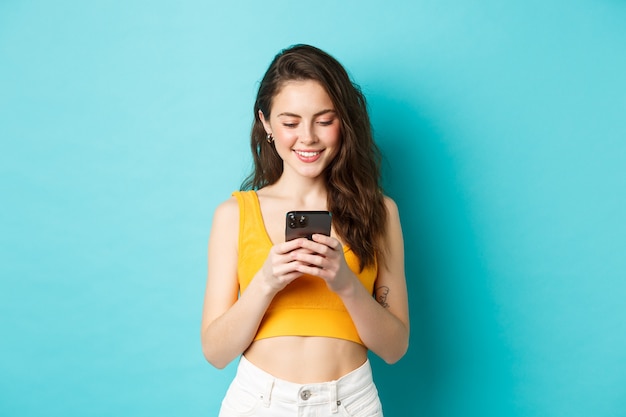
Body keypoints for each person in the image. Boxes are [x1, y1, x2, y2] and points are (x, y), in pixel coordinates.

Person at [201, 44, 409, 417]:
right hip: (257, 401)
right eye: (291, 122)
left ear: (344, 122)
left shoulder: (380, 212)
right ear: (266, 123)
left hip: (351, 402)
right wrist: (266, 280)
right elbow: (216, 352)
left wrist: (345, 283)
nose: (308, 137)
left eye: (324, 120)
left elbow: (394, 348)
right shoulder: (234, 214)